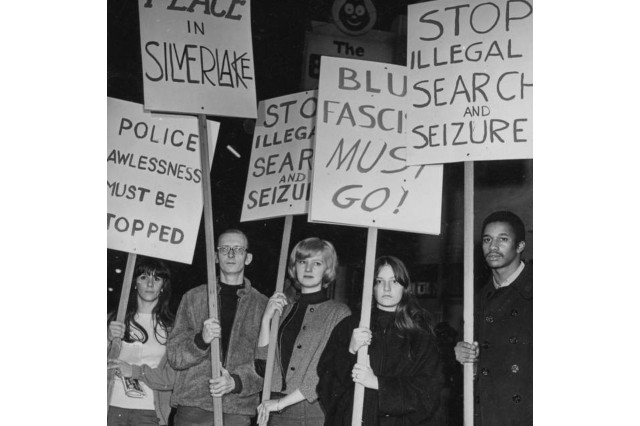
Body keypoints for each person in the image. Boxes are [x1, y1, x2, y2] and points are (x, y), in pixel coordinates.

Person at [317, 255, 444, 425]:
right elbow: (326, 386)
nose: (386, 288)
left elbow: (428, 393)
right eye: (379, 281)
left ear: (405, 287)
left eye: (394, 281)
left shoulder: (420, 334)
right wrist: (350, 352)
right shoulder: (350, 326)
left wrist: (377, 383)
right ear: (371, 286)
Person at [166, 229, 268, 426]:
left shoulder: (262, 305)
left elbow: (267, 363)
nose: (231, 254)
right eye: (225, 249)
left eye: (238, 249)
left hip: (236, 410)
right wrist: (200, 341)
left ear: (248, 258)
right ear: (215, 256)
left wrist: (236, 382)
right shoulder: (193, 298)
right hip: (193, 407)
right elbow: (174, 356)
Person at [255, 237, 351, 425]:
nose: (308, 269)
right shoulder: (284, 310)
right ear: (294, 267)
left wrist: (281, 403)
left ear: (327, 269)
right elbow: (262, 365)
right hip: (272, 406)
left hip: (309, 408)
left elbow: (326, 371)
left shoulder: (338, 313)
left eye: (316, 263)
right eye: (302, 262)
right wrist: (267, 319)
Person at [454, 211, 532, 425]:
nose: (493, 246)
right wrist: (464, 358)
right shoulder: (475, 302)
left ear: (520, 246)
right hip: (489, 414)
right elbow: (473, 371)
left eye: (503, 239)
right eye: (488, 239)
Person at [107, 257, 177, 426]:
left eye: (157, 278)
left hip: (150, 412)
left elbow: (173, 378)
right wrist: (107, 339)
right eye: (144, 277)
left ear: (163, 286)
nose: (150, 284)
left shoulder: (172, 327)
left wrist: (134, 371)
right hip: (111, 407)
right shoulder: (114, 320)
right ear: (135, 283)